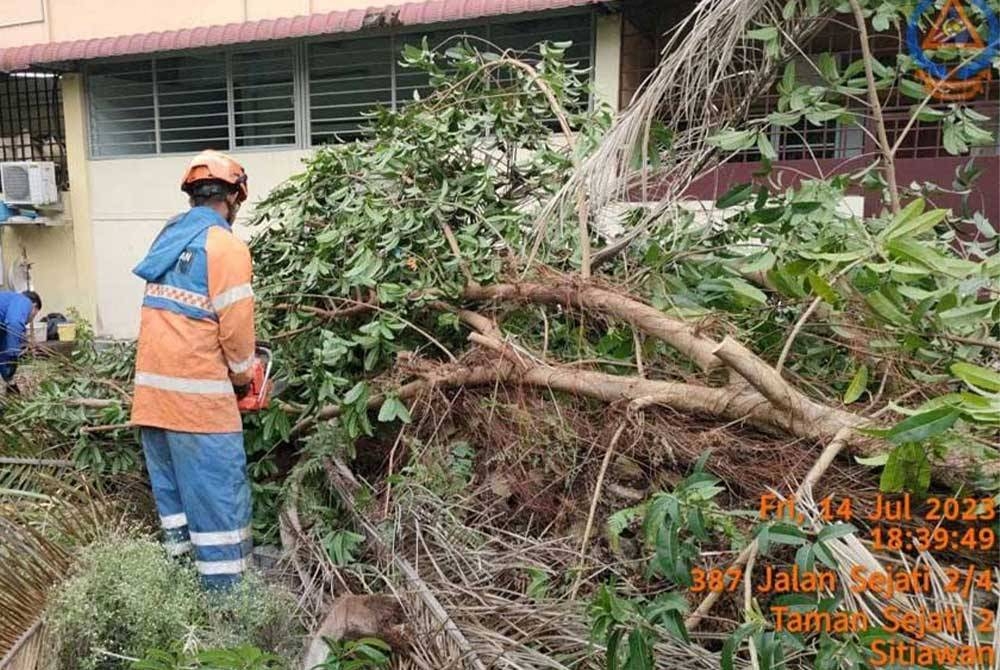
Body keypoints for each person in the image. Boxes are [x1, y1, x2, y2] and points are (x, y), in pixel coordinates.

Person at [131, 150, 256, 589]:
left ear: (192, 195)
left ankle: (182, 602)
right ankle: (230, 613)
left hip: (152, 406)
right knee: (221, 515)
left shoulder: (168, 238)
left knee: (178, 515)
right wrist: (245, 378)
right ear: (234, 197)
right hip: (200, 411)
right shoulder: (224, 246)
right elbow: (238, 336)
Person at [0, 290, 42, 394]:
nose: (30, 320)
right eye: (34, 315)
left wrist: (10, 380)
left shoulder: (7, 306)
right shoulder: (23, 301)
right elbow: (15, 324)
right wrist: (13, 354)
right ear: (34, 305)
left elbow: (2, 354)